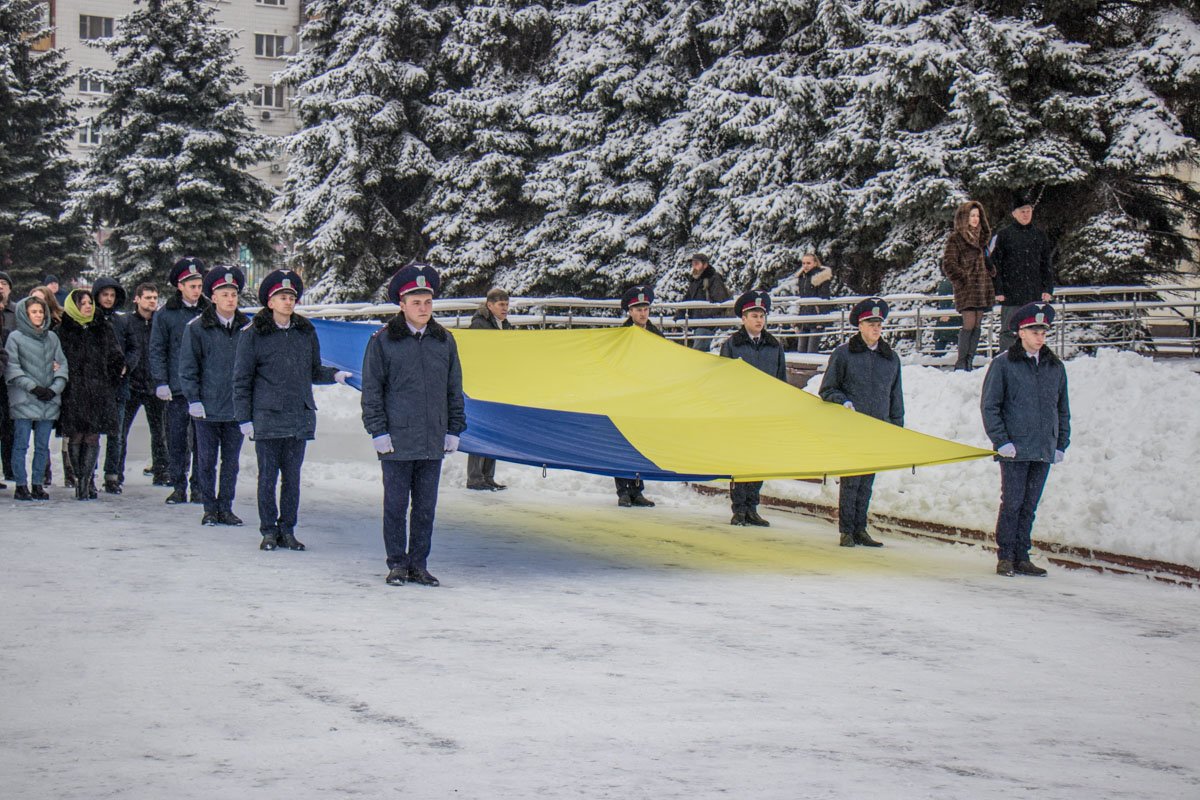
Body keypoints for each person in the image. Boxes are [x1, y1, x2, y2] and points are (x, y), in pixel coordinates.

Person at [361, 263, 466, 587]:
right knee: (395, 506)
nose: (423, 308)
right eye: (416, 302)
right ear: (402, 305)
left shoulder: (443, 341)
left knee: (425, 507)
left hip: (432, 438)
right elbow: (372, 390)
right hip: (396, 439)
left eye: (428, 302)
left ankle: (419, 564)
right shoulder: (383, 341)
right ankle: (397, 563)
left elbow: (454, 388)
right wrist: (378, 431)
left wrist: (453, 429)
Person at [234, 269, 349, 551]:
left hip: (298, 415)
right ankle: (268, 531)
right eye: (281, 297)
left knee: (293, 479)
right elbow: (242, 379)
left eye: (291, 297)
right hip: (268, 416)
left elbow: (313, 370)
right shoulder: (253, 334)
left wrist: (334, 375)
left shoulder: (305, 331)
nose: (288, 302)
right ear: (269, 302)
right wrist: (244, 418)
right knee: (268, 477)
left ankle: (288, 529)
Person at [981, 302, 1070, 578]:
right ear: (1021, 332)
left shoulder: (1054, 366)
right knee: (1013, 503)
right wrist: (1001, 440)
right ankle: (1006, 555)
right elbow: (990, 406)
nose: (1040, 337)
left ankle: (1022, 555)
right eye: (1034, 331)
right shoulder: (1004, 364)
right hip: (1015, 449)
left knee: (1029, 504)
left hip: (1042, 447)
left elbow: (1062, 408)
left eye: (1043, 331)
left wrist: (1060, 443)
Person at [819, 297, 904, 547]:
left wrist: (896, 425)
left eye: (879, 323)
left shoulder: (890, 358)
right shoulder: (844, 354)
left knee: (867, 481)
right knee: (851, 481)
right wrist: (842, 401)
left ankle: (861, 528)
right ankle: (847, 529)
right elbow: (828, 388)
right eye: (870, 323)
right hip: (852, 427)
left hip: (877, 427)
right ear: (859, 325)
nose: (876, 328)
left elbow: (895, 395)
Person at [180, 267, 250, 527]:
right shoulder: (197, 328)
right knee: (206, 461)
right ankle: (209, 508)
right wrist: (193, 399)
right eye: (224, 294)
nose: (231, 299)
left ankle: (226, 507)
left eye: (234, 294)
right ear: (213, 297)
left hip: (236, 408)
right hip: (207, 407)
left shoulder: (247, 327)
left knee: (231, 462)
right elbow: (188, 367)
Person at [719, 289, 787, 527]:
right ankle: (739, 509)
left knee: (759, 460)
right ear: (743, 318)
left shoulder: (773, 346)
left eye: (762, 315)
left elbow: (781, 380)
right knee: (740, 461)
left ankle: (752, 507)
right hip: (741, 413)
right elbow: (723, 380)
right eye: (754, 315)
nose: (759, 320)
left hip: (764, 413)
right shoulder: (732, 345)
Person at [56, 289, 125, 500]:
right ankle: (78, 479)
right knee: (76, 435)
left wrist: (108, 380)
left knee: (93, 435)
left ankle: (87, 480)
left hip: (98, 392)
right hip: (73, 391)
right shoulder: (63, 330)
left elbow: (116, 357)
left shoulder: (103, 328)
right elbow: (56, 358)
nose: (88, 306)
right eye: (82, 303)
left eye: (89, 302)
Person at [150, 257, 209, 505]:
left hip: (204, 387)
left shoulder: (209, 311)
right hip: (176, 388)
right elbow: (157, 349)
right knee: (176, 439)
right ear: (180, 286)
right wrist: (160, 381)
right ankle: (178, 485)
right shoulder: (166, 314)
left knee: (201, 441)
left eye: (199, 285)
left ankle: (199, 486)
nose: (197, 291)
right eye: (192, 286)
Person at [4, 296, 68, 500]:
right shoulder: (15, 337)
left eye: (41, 312)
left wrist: (54, 388)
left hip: (48, 400)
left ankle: (38, 483)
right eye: (34, 312)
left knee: (42, 445)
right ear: (25, 314)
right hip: (24, 398)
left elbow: (62, 366)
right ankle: (21, 484)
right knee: (21, 443)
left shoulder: (52, 338)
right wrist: (33, 387)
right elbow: (12, 368)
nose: (38, 315)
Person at [613, 285, 661, 509]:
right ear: (630, 312)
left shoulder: (656, 335)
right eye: (638, 309)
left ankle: (638, 490)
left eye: (645, 309)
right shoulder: (620, 336)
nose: (643, 313)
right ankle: (623, 490)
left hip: (646, 397)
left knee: (641, 445)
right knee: (623, 445)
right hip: (624, 396)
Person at [989, 191, 1055, 352]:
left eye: (1028, 211)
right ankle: (1008, 361)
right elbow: (994, 265)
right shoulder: (1004, 235)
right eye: (1022, 211)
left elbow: (1046, 264)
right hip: (1011, 293)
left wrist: (1048, 288)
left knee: (1033, 330)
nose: (1026, 214)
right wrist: (998, 289)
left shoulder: (1039, 235)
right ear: (1014, 214)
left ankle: (1030, 360)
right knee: (1009, 331)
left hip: (1034, 292)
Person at [120, 282, 169, 486]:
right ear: (137, 299)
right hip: (131, 384)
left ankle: (162, 471)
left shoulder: (160, 322)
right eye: (147, 297)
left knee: (160, 433)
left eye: (155, 298)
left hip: (155, 384)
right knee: (121, 431)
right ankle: (115, 472)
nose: (152, 301)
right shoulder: (127, 322)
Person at [466, 287, 512, 491]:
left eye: (507, 304)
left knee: (494, 430)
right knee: (482, 429)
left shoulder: (506, 326)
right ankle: (475, 477)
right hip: (483, 384)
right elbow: (480, 353)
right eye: (501, 305)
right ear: (490, 305)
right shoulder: (480, 324)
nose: (505, 308)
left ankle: (488, 475)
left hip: (499, 383)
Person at [941, 200, 994, 370]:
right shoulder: (956, 238)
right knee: (969, 323)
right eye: (972, 215)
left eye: (978, 215)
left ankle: (970, 359)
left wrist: (990, 270)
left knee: (978, 323)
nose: (975, 219)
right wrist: (963, 278)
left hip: (982, 287)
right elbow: (948, 263)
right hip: (967, 288)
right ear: (964, 217)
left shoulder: (982, 238)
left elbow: (985, 259)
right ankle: (961, 361)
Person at [93, 277, 131, 493]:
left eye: (112, 295)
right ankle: (90, 472)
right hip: (97, 384)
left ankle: (112, 475)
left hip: (119, 384)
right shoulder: (91, 319)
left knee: (116, 433)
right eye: (104, 294)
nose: (108, 299)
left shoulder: (123, 322)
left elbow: (134, 348)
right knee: (93, 432)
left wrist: (126, 364)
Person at [679, 253, 731, 352]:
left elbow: (721, 301)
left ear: (705, 265)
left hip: (707, 323)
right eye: (693, 264)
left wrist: (703, 314)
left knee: (698, 352)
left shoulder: (713, 278)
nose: (694, 267)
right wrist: (677, 318)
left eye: (697, 264)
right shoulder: (695, 281)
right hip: (696, 324)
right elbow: (687, 300)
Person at [793, 253, 833, 354]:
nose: (805, 266)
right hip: (804, 317)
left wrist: (822, 320)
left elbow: (824, 298)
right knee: (801, 350)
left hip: (816, 317)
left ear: (815, 263)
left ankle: (812, 370)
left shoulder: (821, 277)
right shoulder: (802, 277)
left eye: (808, 263)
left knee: (812, 351)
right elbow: (802, 299)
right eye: (803, 263)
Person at [0, 270, 16, 489]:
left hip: (11, 376)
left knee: (9, 425)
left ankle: (10, 469)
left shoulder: (16, 312)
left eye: (4, 283)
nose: (0, 287)